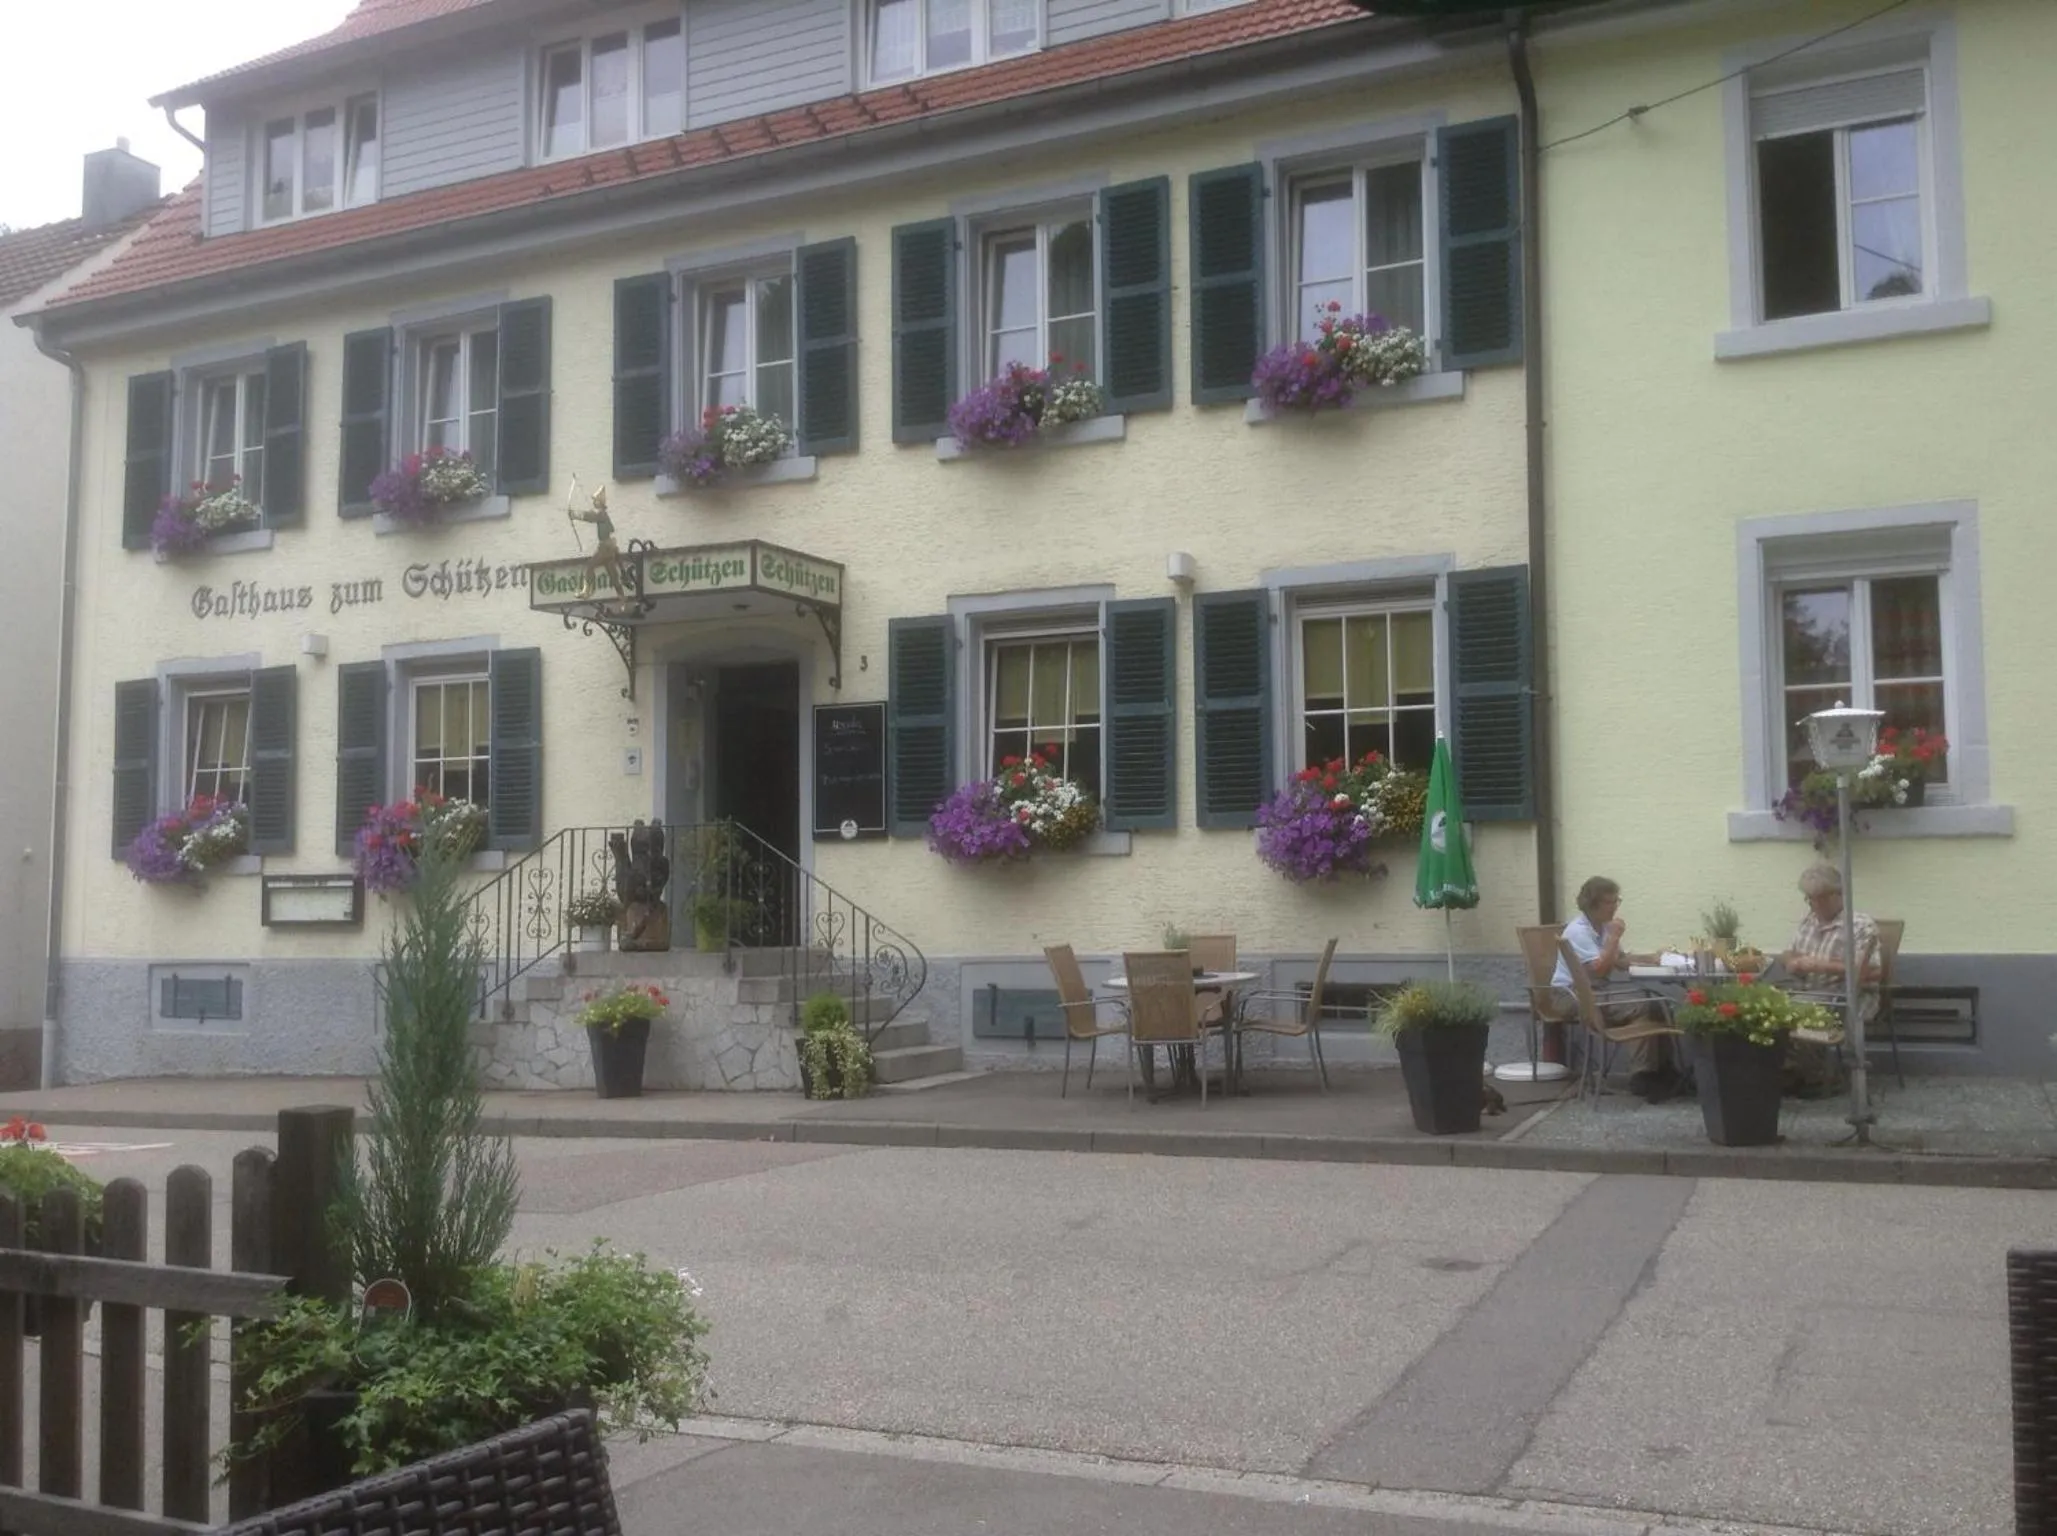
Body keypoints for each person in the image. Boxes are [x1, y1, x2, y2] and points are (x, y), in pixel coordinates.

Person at [1550, 875, 1689, 1102]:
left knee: (1655, 1005)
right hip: (1571, 996)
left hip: (1596, 992)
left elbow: (1621, 961)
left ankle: (1660, 1072)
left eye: (1617, 901)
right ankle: (1644, 1076)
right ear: (1593, 904)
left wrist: (1654, 958)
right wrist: (1614, 937)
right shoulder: (1578, 931)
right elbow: (1600, 970)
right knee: (1646, 1006)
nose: (1615, 906)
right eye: (1610, 902)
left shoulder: (1602, 927)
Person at [1779, 864, 1880, 1098]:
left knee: (1799, 1011)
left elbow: (1873, 971)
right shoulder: (1809, 921)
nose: (1815, 905)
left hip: (1850, 997)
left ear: (1838, 894)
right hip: (1810, 992)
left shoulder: (1860, 925)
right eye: (1810, 899)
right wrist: (1791, 961)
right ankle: (1795, 1072)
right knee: (1768, 1009)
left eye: (1820, 899)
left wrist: (1821, 965)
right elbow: (1788, 953)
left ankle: (1821, 1076)